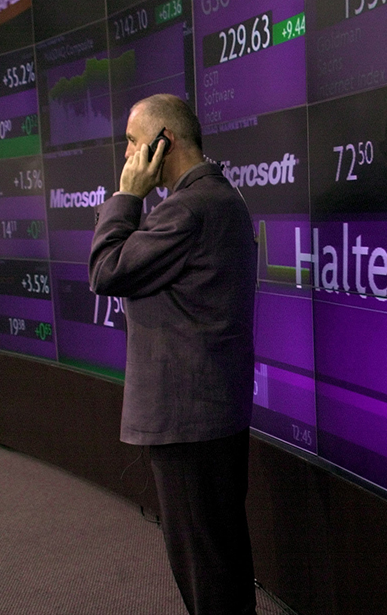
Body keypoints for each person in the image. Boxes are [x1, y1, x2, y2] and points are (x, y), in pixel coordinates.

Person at [89, 93, 257, 615]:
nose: (127, 156)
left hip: (189, 423)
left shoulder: (187, 209)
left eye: (133, 142)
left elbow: (106, 270)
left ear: (165, 142)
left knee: (207, 571)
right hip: (210, 418)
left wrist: (126, 197)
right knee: (220, 559)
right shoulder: (219, 197)